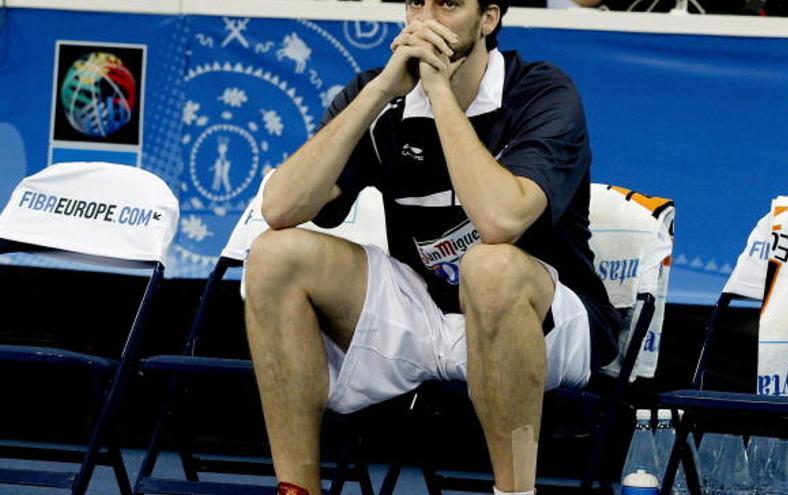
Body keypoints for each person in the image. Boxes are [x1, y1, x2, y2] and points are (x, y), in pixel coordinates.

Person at [244, 0, 620, 493]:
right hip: (427, 308)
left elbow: (501, 221)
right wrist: (379, 92)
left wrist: (439, 91)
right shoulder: (381, 94)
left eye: (448, 5)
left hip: (547, 317)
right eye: (416, 3)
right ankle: (297, 491)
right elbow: (280, 207)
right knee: (274, 255)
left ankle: (515, 492)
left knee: (489, 266)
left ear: (488, 18)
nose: (426, 19)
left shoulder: (542, 93)